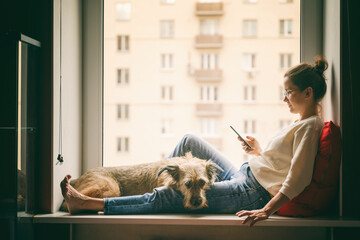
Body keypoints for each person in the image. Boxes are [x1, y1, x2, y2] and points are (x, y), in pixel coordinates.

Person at [61, 56, 328, 226]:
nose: (284, 99)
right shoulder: (300, 123)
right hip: (246, 175)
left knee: (170, 197)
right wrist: (257, 151)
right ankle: (167, 180)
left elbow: (299, 177)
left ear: (307, 92)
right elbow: (279, 165)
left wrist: (267, 210)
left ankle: (87, 203)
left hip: (252, 193)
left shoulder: (310, 127)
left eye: (289, 93)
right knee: (190, 140)